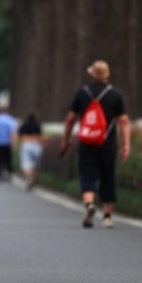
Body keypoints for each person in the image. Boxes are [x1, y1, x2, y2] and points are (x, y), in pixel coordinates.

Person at [60, 60, 131, 229]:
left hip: (87, 141)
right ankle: (107, 216)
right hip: (108, 143)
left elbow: (70, 120)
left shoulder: (82, 93)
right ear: (107, 75)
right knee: (108, 176)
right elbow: (124, 122)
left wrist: (66, 140)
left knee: (87, 175)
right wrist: (126, 144)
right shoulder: (116, 95)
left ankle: (89, 205)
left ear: (91, 75)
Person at [0, 105, 17, 182]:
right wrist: (13, 142)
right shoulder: (10, 120)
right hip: (8, 142)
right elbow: (13, 132)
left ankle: (0, 171)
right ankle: (9, 173)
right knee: (8, 158)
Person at [18, 113, 44, 190]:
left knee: (26, 163)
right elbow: (41, 136)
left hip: (26, 144)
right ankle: (33, 177)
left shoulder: (24, 125)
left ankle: (29, 178)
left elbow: (19, 135)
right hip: (36, 144)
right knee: (36, 163)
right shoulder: (37, 125)